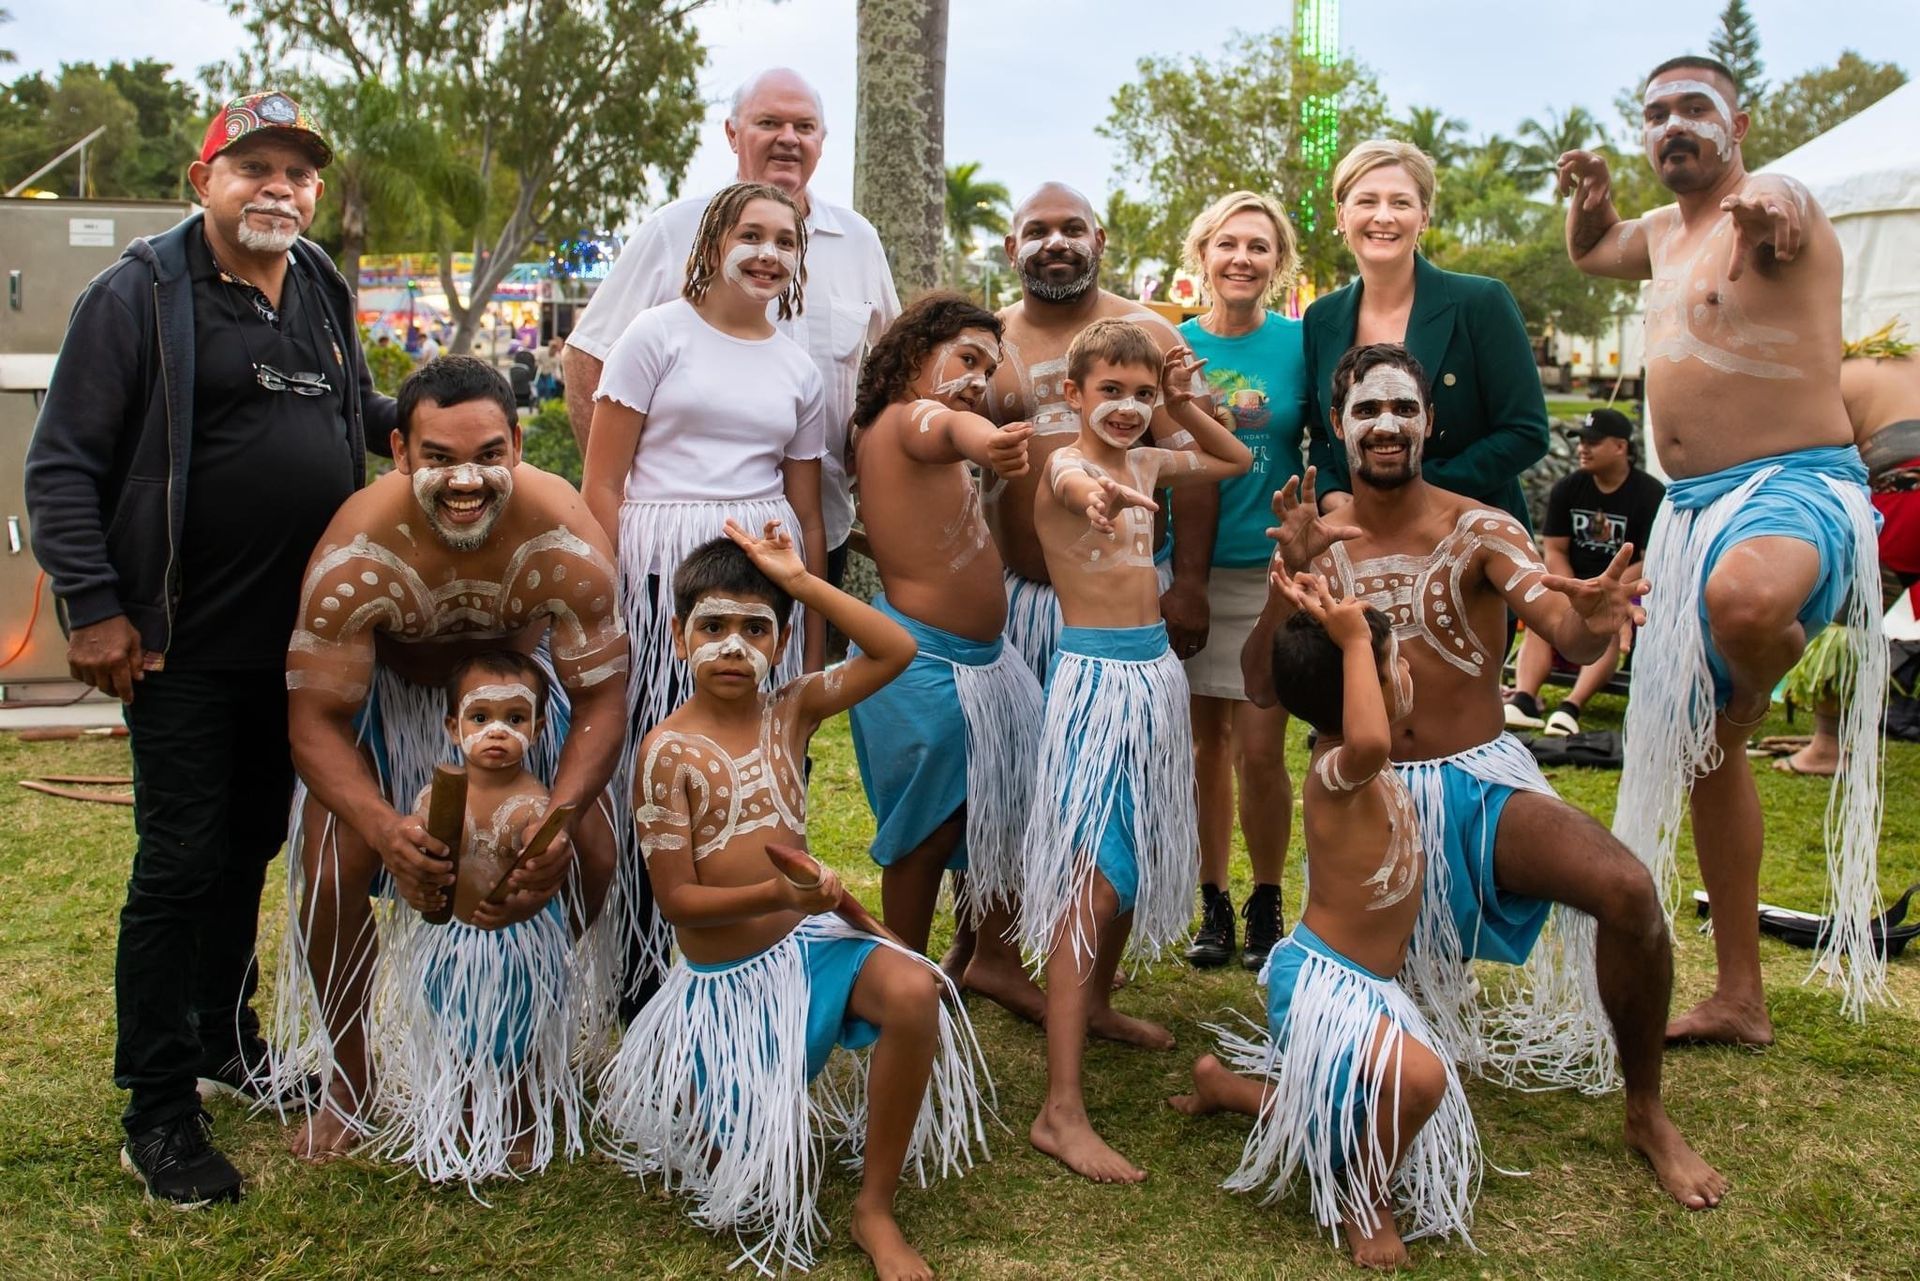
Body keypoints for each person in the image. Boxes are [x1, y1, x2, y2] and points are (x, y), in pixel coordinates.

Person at [1248, 342, 1726, 1210]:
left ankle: (1646, 1109)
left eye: (1403, 408)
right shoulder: (1313, 533)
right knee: (1362, 990)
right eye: (1367, 411)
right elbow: (1258, 683)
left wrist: (1589, 620)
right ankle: (1311, 1073)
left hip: (1477, 782)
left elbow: (1559, 622)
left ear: (1430, 421)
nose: (1387, 426)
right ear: (1338, 426)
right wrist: (1294, 578)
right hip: (1366, 793)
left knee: (1625, 891)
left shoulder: (1482, 524)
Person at [24, 89, 394, 1207]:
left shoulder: (320, 284)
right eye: (254, 169)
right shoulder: (138, 293)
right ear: (204, 181)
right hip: (181, 647)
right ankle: (158, 1112)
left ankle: (221, 1038)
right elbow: (61, 464)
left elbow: (352, 411)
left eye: (296, 173)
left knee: (248, 851)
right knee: (180, 867)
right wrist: (95, 609)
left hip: (300, 649)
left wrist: (431, 421)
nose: (277, 189)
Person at [1559, 54, 1889, 1034]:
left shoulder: (1780, 200)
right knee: (1710, 757)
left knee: (1746, 605)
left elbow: (1782, 207)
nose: (1672, 126)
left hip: (1796, 485)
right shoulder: (1661, 233)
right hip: (1693, 508)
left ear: (1739, 118)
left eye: (1693, 108)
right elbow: (1590, 253)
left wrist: (1774, 211)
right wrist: (1589, 203)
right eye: (1654, 113)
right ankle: (1740, 996)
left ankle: (1772, 669)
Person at [596, 525, 989, 1281]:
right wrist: (782, 889)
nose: (734, 646)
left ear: (780, 642)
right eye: (713, 627)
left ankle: (875, 1205)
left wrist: (803, 582)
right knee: (746, 1193)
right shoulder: (666, 751)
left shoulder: (792, 710)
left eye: (755, 628)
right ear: (679, 638)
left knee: (914, 989)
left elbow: (894, 650)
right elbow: (678, 901)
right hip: (729, 993)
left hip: (809, 953)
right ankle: (703, 1096)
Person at [270, 356, 627, 1162]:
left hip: (518, 709)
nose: (465, 479)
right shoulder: (356, 548)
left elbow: (603, 701)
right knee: (331, 869)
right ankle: (352, 1075)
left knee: (597, 851)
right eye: (438, 458)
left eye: (488, 455)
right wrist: (384, 825)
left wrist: (558, 822)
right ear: (398, 451)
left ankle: (528, 1043)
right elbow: (315, 722)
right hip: (391, 703)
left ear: (518, 445)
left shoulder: (563, 537)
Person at [1172, 573, 1480, 1270]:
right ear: (1358, 690)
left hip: (1370, 987)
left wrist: (1335, 621)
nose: (1406, 672)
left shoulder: (1367, 759)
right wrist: (1349, 641)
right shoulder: (1337, 770)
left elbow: (1372, 720)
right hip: (1326, 987)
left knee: (1340, 1116)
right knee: (1420, 1081)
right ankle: (1365, 1197)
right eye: (1393, 663)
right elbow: (1369, 735)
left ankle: (1228, 1088)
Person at [580, 181, 828, 1020]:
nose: (767, 253)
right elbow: (602, 482)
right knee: (660, 772)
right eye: (750, 235)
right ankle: (645, 980)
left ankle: (747, 967)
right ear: (712, 243)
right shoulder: (655, 335)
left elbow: (808, 510)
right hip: (657, 580)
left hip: (760, 579)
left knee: (746, 775)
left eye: (785, 241)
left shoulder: (798, 364)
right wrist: (601, 609)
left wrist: (812, 636)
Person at [1019, 318, 1251, 1184]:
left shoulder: (1154, 458)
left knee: (1137, 858)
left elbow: (1233, 463)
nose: (1126, 408)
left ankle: (1100, 1003)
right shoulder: (1063, 465)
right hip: (1094, 684)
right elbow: (1074, 478)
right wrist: (1094, 497)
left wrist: (1187, 405)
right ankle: (1059, 1107)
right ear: (1072, 394)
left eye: (1141, 394)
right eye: (1109, 390)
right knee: (1096, 876)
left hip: (1153, 678)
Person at [564, 67, 897, 592]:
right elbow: (587, 357)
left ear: (822, 142)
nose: (789, 139)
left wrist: (869, 433)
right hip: (677, 543)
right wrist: (620, 495)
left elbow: (895, 360)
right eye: (769, 122)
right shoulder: (673, 230)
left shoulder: (857, 239)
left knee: (786, 670)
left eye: (804, 127)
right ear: (732, 133)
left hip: (816, 526)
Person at [843, 294, 1045, 1018]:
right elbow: (943, 425)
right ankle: (899, 977)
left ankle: (987, 955)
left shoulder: (903, 424)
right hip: (923, 663)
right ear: (913, 353)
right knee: (926, 833)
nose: (976, 378)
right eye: (965, 357)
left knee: (986, 811)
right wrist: (985, 441)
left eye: (988, 368)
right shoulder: (908, 419)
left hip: (978, 659)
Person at [983, 182, 1202, 682]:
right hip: (1015, 602)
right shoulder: (985, 342)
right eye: (1037, 231)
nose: (1056, 242)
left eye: (1072, 229)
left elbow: (1197, 473)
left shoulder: (1156, 335)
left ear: (1099, 240)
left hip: (1130, 606)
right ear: (1012, 248)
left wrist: (1190, 583)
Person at [377, 652, 583, 1185]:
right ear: (453, 726)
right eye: (480, 717)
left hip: (518, 944)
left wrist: (540, 844)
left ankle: (523, 1114)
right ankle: (462, 1110)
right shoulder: (436, 797)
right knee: (456, 1028)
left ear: (538, 728)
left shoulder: (531, 800)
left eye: (515, 719)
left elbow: (539, 837)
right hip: (453, 941)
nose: (497, 732)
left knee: (520, 1032)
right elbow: (423, 846)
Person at [1172, 191, 1311, 971]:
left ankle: (1265, 898)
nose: (1242, 260)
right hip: (1194, 567)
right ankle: (1213, 901)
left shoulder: (1298, 346)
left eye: (1258, 247)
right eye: (1229, 244)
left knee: (1261, 746)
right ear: (1204, 254)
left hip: (1271, 571)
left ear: (1276, 262)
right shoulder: (1175, 345)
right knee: (1205, 745)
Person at [1302, 140, 1550, 534]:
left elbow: (1526, 433)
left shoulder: (1481, 301)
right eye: (1367, 201)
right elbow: (1322, 430)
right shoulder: (1321, 317)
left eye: (1400, 203)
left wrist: (1407, 494)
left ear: (1424, 217)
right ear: (1341, 214)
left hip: (1470, 539)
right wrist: (1332, 493)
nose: (1383, 216)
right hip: (1362, 541)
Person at [1775, 322, 1920, 775]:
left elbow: (1817, 466)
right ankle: (1843, 735)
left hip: (1905, 500)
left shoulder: (1836, 378)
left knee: (1845, 621)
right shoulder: (1903, 368)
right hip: (1905, 493)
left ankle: (1828, 745)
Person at [1506, 408, 1666, 735]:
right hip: (1573, 585)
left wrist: (1606, 588)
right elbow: (1555, 549)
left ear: (1621, 447)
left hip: (1625, 589)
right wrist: (1573, 588)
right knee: (1538, 621)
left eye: (1593, 442)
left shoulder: (1650, 494)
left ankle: (1571, 706)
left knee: (1603, 621)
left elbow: (1653, 560)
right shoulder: (1568, 488)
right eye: (1580, 441)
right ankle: (1524, 698)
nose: (1583, 448)